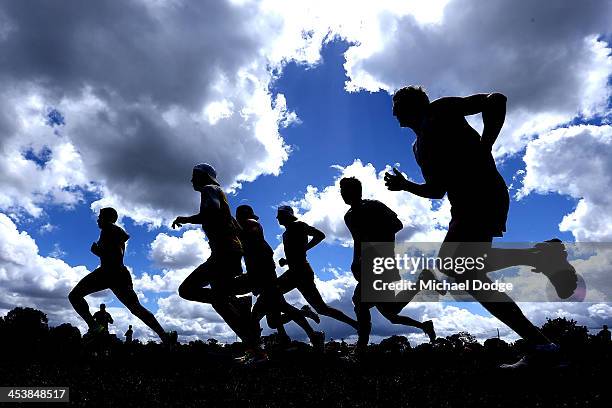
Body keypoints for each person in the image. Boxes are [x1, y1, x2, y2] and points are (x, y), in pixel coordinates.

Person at [385, 86, 578, 368]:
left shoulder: (441, 110)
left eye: (396, 106)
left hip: (482, 194)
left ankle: (541, 338)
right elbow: (437, 190)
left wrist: (486, 144)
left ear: (405, 108)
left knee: (456, 267)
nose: (393, 113)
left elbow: (496, 101)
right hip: (464, 204)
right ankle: (541, 344)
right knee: (464, 271)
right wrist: (405, 186)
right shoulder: (419, 147)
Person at [173, 163, 260, 355]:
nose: (191, 180)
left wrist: (187, 219)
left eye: (194, 175)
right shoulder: (220, 196)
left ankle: (240, 298)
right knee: (220, 303)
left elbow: (210, 212)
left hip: (224, 253)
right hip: (228, 252)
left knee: (187, 290)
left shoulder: (209, 189)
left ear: (204, 175)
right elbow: (235, 227)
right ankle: (253, 347)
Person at [340, 177, 436, 351]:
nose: (343, 195)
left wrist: (376, 238)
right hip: (366, 264)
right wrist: (355, 260)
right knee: (391, 314)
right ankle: (424, 320)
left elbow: (397, 225)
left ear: (356, 192)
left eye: (346, 191)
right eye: (341, 191)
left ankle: (361, 346)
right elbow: (357, 240)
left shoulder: (374, 206)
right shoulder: (349, 217)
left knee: (359, 301)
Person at [69, 207, 175, 344]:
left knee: (74, 296)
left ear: (107, 218)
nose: (97, 220)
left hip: (109, 272)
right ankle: (163, 335)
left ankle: (94, 326)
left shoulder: (109, 230)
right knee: (136, 308)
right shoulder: (112, 231)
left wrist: (97, 252)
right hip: (118, 274)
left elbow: (116, 255)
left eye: (100, 217)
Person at [235, 205, 324, 350]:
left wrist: (256, 281)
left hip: (266, 279)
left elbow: (262, 256)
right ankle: (301, 335)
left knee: (263, 315)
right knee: (274, 318)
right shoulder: (248, 236)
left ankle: (262, 347)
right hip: (265, 278)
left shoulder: (251, 226)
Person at [276, 205, 358, 330]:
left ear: (287, 216)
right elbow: (296, 255)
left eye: (280, 216)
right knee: (271, 294)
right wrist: (287, 261)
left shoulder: (299, 226)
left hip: (302, 272)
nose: (278, 219)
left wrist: (304, 248)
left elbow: (320, 235)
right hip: (293, 272)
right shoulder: (285, 234)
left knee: (322, 309)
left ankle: (356, 324)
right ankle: (301, 313)